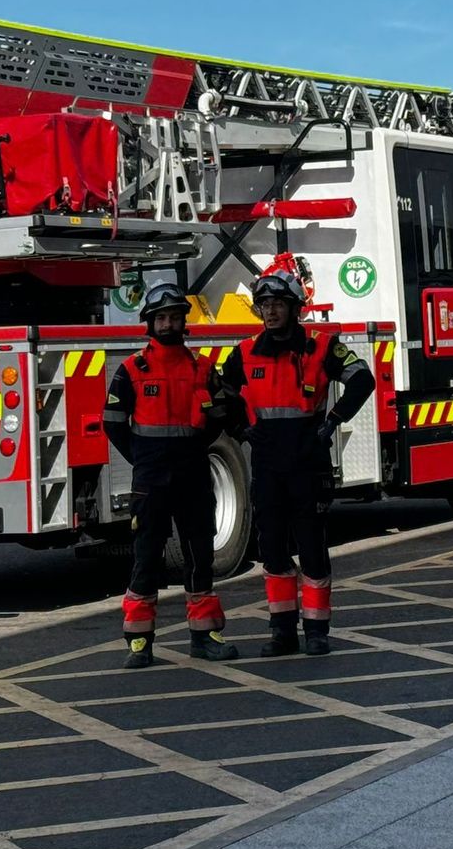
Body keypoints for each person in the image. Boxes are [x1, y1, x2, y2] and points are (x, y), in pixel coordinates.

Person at [222, 269, 374, 656]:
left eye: (277, 304)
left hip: (309, 461)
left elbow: (362, 379)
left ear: (294, 307)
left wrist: (333, 422)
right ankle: (282, 632)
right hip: (269, 463)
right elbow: (219, 395)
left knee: (311, 547)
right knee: (271, 548)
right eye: (264, 305)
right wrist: (241, 429)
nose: (270, 312)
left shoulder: (322, 347)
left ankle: (318, 631)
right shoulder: (243, 352)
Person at [103, 282, 239, 667]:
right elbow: (113, 422)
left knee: (200, 556)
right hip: (151, 479)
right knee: (146, 558)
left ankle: (205, 635)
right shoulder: (131, 369)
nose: (168, 324)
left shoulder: (203, 367)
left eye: (175, 317)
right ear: (150, 323)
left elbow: (219, 418)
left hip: (193, 474)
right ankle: (139, 642)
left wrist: (194, 447)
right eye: (161, 318)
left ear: (184, 321)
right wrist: (142, 458)